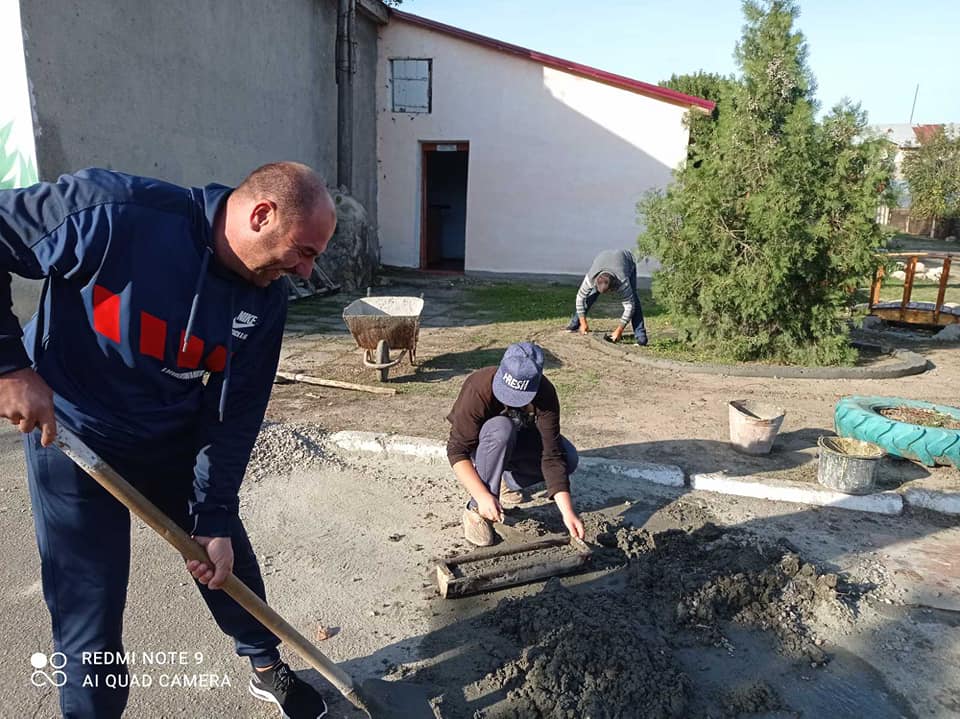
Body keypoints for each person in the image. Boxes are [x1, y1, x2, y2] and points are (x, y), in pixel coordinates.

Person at [0, 163, 337, 719]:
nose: (305, 271)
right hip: (72, 435)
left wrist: (214, 514)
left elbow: (234, 415)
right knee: (89, 610)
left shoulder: (265, 300)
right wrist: (10, 367)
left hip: (167, 436)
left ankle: (263, 662)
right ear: (261, 216)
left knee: (224, 558)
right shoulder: (111, 214)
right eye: (304, 252)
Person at [446, 341, 584, 547]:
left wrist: (568, 513)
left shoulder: (545, 394)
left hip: (516, 441)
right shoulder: (478, 387)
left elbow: (552, 456)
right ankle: (475, 509)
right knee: (502, 428)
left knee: (569, 458)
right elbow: (457, 451)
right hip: (484, 445)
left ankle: (504, 481)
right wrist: (482, 495)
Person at [565, 248, 648, 345]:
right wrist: (583, 322)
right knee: (591, 295)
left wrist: (619, 330)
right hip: (603, 259)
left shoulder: (622, 281)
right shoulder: (591, 278)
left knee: (633, 299)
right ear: (596, 282)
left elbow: (629, 307)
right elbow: (580, 298)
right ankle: (576, 324)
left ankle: (641, 336)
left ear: (613, 288)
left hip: (627, 260)